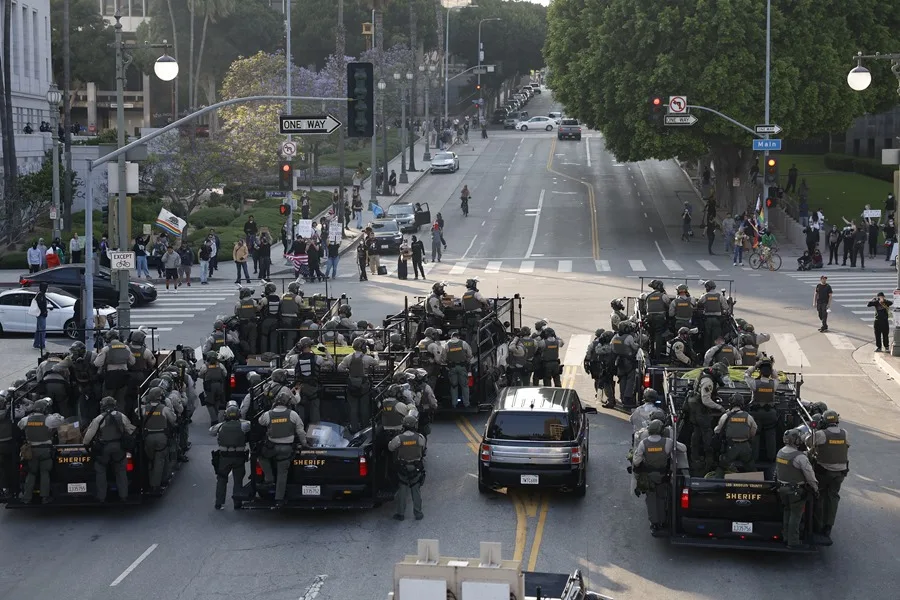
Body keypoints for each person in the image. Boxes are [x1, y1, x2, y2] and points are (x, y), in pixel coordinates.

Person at [632, 420, 687, 534]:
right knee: (662, 498)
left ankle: (654, 524)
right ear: (661, 430)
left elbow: (636, 462)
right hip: (663, 476)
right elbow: (683, 448)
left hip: (649, 477)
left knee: (651, 500)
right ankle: (663, 521)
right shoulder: (668, 442)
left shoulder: (643, 443)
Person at [804, 410, 849, 540]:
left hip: (823, 472)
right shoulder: (845, 433)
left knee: (820, 497)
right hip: (840, 473)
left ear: (823, 422)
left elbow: (808, 442)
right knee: (833, 497)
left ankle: (818, 525)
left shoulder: (821, 434)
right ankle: (828, 526)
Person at [258, 389, 307, 507]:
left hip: (271, 448)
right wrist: (304, 444)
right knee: (282, 474)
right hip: (286, 449)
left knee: (261, 457)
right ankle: (279, 499)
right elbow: (300, 431)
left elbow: (260, 422)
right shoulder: (293, 414)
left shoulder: (268, 414)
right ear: (288, 403)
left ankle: (268, 477)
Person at [83, 396, 136, 503]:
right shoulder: (122, 416)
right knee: (121, 471)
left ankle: (101, 497)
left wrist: (87, 445)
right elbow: (131, 431)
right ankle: (123, 496)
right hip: (119, 448)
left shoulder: (98, 419)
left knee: (100, 471)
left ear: (102, 406)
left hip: (104, 450)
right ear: (114, 404)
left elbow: (87, 439)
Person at [776, 428, 818, 548]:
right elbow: (809, 475)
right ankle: (793, 542)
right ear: (796, 440)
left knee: (787, 512)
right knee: (796, 515)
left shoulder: (780, 452)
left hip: (782, 489)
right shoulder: (800, 457)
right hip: (795, 491)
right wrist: (815, 488)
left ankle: (785, 537)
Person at [17, 398, 64, 504]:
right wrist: (55, 414)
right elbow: (61, 420)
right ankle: (45, 497)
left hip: (31, 451)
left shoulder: (26, 420)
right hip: (45, 451)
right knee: (45, 473)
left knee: (31, 473)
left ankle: (26, 498)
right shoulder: (48, 419)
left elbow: (19, 425)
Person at [686, 362, 727, 475]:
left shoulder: (704, 375)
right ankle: (709, 459)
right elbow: (706, 400)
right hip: (700, 410)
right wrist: (720, 407)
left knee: (696, 432)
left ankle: (695, 457)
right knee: (707, 433)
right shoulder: (708, 382)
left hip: (694, 407)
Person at [210, 403, 250, 510]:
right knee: (238, 480)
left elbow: (211, 432)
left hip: (224, 458)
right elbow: (251, 426)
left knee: (222, 479)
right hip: (239, 457)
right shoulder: (244, 425)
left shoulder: (221, 426)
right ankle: (237, 503)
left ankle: (219, 503)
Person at [388, 415, 426, 521]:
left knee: (402, 490)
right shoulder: (420, 438)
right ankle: (418, 513)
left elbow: (390, 447)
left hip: (402, 467)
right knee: (416, 490)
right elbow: (423, 449)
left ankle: (400, 514)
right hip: (416, 467)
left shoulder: (399, 439)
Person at [139, 388, 177, 494]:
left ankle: (150, 481)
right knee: (159, 460)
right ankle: (155, 486)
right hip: (161, 437)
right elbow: (173, 420)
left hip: (147, 437)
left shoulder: (143, 408)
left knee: (150, 460)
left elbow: (138, 415)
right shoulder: (164, 409)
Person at [337, 338, 380, 431]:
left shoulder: (348, 358)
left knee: (353, 408)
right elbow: (376, 363)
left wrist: (348, 371)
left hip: (351, 386)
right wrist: (376, 355)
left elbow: (340, 368)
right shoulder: (367, 358)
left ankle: (354, 428)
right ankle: (365, 428)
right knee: (364, 408)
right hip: (364, 386)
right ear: (363, 347)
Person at [744, 357, 780, 462]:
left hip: (756, 413)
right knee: (771, 435)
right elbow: (776, 376)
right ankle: (771, 458)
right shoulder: (774, 384)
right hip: (770, 414)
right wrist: (771, 365)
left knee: (755, 436)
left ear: (760, 371)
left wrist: (756, 365)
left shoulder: (755, 384)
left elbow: (746, 374)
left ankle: (754, 458)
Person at [292, 337, 334, 424]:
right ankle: (314, 432)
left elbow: (286, 358)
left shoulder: (295, 358)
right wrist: (325, 351)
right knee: (315, 411)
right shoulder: (318, 358)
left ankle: (300, 430)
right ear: (311, 346)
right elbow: (331, 363)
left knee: (300, 411)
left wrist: (294, 348)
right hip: (313, 388)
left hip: (300, 388)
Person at [713, 394, 757, 477]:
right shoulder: (748, 416)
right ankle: (757, 484)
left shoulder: (726, 416)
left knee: (722, 466)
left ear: (731, 403)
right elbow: (754, 430)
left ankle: (716, 484)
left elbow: (717, 430)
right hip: (745, 446)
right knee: (751, 467)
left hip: (730, 446)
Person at [94, 330, 135, 409]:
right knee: (121, 401)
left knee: (107, 401)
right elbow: (132, 362)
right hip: (124, 377)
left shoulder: (106, 348)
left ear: (108, 338)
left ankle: (106, 418)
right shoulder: (126, 347)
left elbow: (97, 363)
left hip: (110, 378)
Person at [199, 351, 229, 426]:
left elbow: (200, 375)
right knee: (217, 400)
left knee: (209, 403)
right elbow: (225, 374)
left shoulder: (205, 366)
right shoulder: (220, 365)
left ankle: (214, 420)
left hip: (209, 386)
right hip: (219, 385)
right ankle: (215, 415)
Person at [643, 279, 670, 360]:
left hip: (649, 318)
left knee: (651, 336)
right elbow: (668, 306)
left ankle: (651, 354)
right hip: (659, 318)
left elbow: (646, 308)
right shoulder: (663, 296)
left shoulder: (648, 296)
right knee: (658, 336)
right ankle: (657, 356)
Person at [32, 282, 50, 349]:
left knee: (38, 330)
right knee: (42, 330)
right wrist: (44, 311)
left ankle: (36, 344)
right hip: (41, 314)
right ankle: (42, 345)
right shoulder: (41, 295)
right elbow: (41, 305)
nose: (47, 289)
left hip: (39, 314)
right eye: (46, 287)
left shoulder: (39, 294)